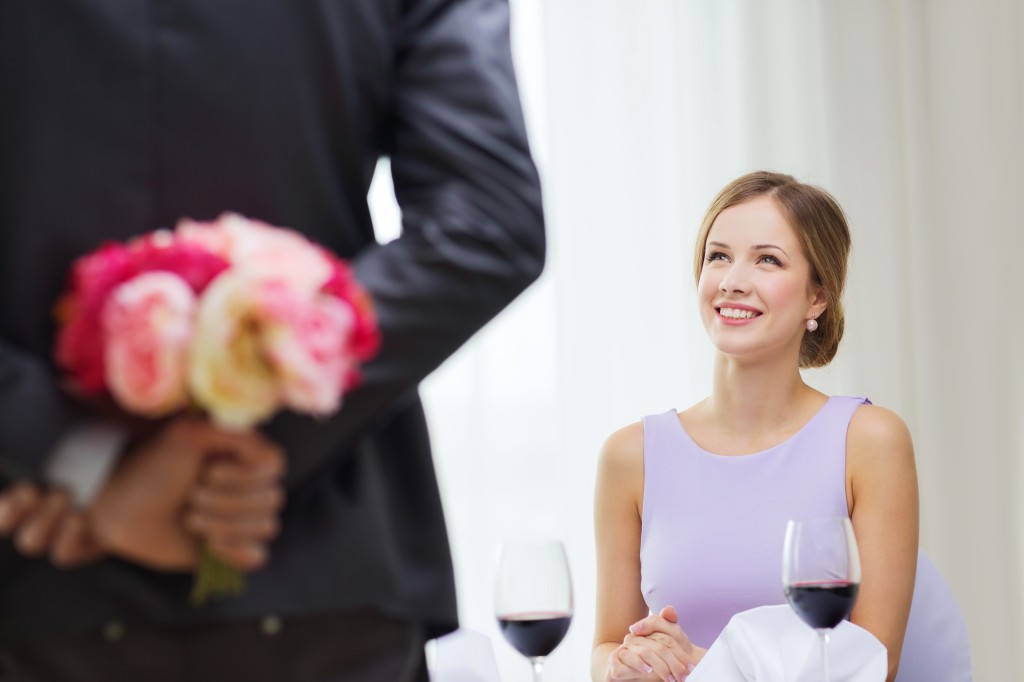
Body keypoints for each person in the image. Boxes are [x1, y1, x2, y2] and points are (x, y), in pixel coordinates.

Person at [0, 0, 545, 679]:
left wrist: (78, 456)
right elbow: (487, 225)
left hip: (36, 563)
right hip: (321, 567)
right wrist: (242, 452)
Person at [591, 172, 971, 682]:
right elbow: (605, 647)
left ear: (818, 297)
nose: (732, 279)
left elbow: (875, 664)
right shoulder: (630, 455)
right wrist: (624, 664)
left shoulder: (869, 441)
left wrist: (707, 670)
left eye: (767, 259)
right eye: (718, 256)